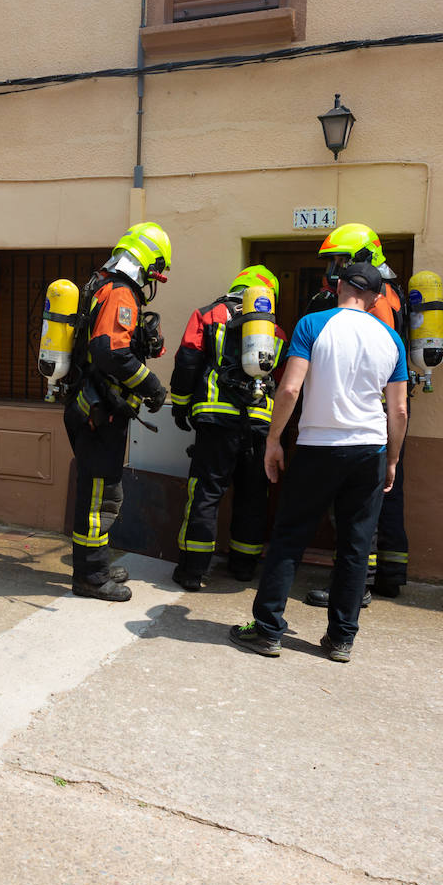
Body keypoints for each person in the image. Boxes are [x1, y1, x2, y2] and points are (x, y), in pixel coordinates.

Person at [227, 263, 408, 663]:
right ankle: (341, 639)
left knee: (290, 538)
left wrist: (274, 439)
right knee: (355, 547)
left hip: (317, 447)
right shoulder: (391, 338)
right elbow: (399, 411)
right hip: (370, 450)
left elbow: (290, 387)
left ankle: (268, 631)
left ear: (340, 286)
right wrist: (392, 459)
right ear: (377, 298)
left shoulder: (312, 325)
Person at [302, 223, 412, 607]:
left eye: (341, 261)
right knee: (384, 497)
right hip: (385, 412)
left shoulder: (374, 302)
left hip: (366, 414)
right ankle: (388, 575)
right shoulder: (392, 295)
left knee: (356, 511)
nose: (335, 270)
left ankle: (356, 584)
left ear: (363, 261)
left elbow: (363, 359)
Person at [63, 222, 172, 602]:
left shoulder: (102, 285)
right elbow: (110, 353)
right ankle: (90, 577)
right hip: (99, 413)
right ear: (148, 263)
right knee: (97, 497)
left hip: (92, 406)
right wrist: (152, 387)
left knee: (105, 492)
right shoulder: (122, 293)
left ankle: (98, 564)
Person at [167, 266, 289, 591]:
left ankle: (193, 571)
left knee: (206, 492)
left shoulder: (207, 314)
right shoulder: (273, 330)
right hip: (259, 422)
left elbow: (187, 362)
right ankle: (244, 566)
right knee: (253, 494)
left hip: (215, 419)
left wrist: (180, 405)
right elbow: (278, 378)